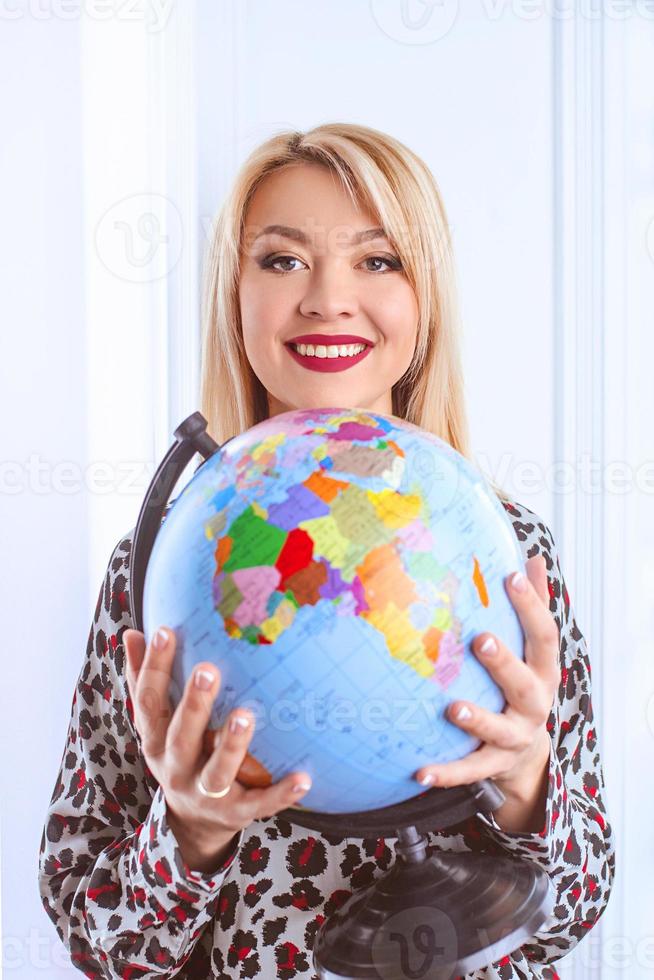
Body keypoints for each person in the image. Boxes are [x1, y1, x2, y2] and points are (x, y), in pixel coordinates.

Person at [38, 122, 615, 979]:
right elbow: (102, 946)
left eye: (378, 260)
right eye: (281, 260)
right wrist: (189, 834)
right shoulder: (161, 567)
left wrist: (530, 786)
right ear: (234, 297)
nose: (328, 298)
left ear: (427, 298)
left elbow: (570, 915)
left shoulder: (504, 552)